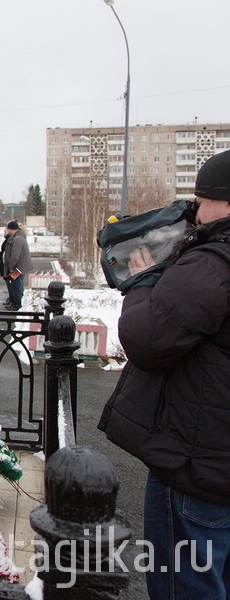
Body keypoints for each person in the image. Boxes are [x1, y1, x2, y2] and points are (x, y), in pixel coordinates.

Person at [98, 150, 230, 599]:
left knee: (185, 585)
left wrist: (143, 283)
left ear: (223, 202)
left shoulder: (212, 264)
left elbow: (148, 339)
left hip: (198, 464)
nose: (194, 210)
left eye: (200, 200)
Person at [1, 220, 32, 310]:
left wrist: (11, 267)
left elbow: (15, 255)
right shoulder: (18, 237)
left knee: (16, 286)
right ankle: (14, 303)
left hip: (17, 268)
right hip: (18, 267)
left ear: (11, 229)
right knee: (15, 286)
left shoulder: (18, 239)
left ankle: (16, 305)